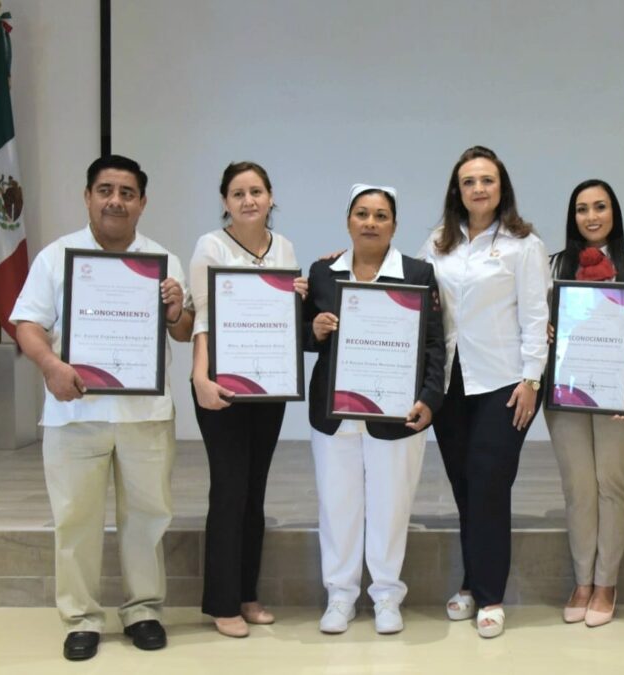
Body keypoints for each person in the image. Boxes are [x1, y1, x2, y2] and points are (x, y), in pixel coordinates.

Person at [11, 155, 193, 661]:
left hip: (146, 416)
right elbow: (28, 323)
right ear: (88, 196)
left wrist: (177, 308)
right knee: (75, 520)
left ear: (142, 202)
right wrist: (50, 365)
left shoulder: (164, 261)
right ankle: (82, 618)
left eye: (127, 192)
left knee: (148, 518)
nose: (116, 200)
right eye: (106, 190)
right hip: (76, 413)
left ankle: (144, 610)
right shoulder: (56, 257)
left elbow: (183, 329)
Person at [419, 146, 549, 638]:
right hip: (451, 383)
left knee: (490, 485)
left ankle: (491, 595)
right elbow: (407, 286)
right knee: (464, 487)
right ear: (458, 189)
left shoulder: (523, 244)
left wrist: (532, 379)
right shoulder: (437, 242)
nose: (478, 188)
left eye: (487, 180)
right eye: (469, 181)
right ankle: (471, 582)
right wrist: (342, 264)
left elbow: (537, 316)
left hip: (504, 383)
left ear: (502, 188)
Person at [304, 184, 445, 635]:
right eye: (362, 214)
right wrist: (316, 329)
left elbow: (434, 344)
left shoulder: (418, 273)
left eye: (380, 215)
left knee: (390, 505)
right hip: (335, 411)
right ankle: (340, 595)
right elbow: (304, 340)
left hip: (396, 412)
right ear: (348, 220)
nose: (370, 223)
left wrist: (429, 397)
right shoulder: (324, 272)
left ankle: (386, 595)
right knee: (337, 505)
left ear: (394, 226)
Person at [188, 161, 306, 638]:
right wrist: (200, 377)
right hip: (221, 386)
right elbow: (202, 318)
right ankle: (222, 602)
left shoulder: (286, 248)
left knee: (254, 492)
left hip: (268, 386)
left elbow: (285, 318)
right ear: (224, 202)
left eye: (256, 191)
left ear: (271, 196)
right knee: (229, 490)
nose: (248, 200)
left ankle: (248, 594)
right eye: (238, 193)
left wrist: (301, 295)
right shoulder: (210, 246)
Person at [544, 179, 624, 627]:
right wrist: (547, 334)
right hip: (566, 392)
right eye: (582, 209)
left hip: (619, 395)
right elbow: (535, 324)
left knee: (610, 482)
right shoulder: (552, 268)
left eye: (600, 207)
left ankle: (606, 582)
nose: (591, 217)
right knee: (577, 486)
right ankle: (582, 580)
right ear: (572, 217)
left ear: (615, 212)